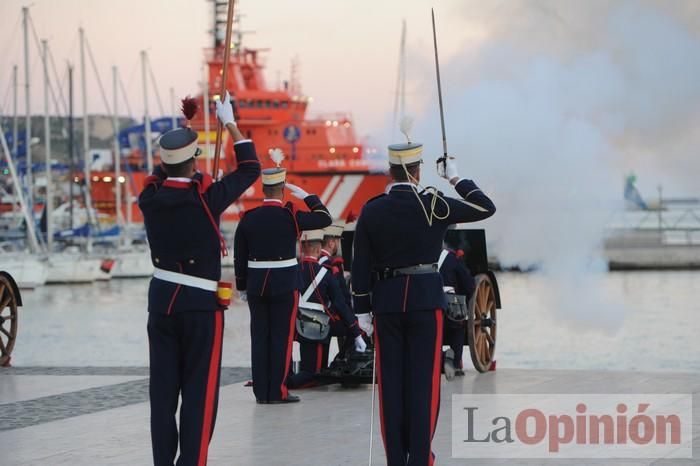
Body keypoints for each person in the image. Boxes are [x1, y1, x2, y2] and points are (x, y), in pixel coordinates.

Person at [351, 126, 496, 466]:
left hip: (386, 303)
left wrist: (362, 312)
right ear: (417, 171)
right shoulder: (434, 205)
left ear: (390, 171)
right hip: (424, 302)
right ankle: (420, 458)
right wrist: (456, 178)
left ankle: (396, 460)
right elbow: (484, 207)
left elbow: (360, 265)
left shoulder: (372, 210)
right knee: (424, 385)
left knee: (391, 386)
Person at [139, 92, 260, 466]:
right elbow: (251, 169)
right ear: (194, 160)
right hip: (200, 307)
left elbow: (165, 174)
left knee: (163, 394)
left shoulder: (150, 197)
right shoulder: (206, 197)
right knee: (199, 393)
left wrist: (183, 146)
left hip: (162, 300)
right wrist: (230, 123)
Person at [234, 155, 332, 404]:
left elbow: (239, 255)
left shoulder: (249, 217)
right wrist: (307, 196)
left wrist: (243, 285)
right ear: (282, 188)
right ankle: (277, 391)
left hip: (257, 285)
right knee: (281, 338)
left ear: (264, 188)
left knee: (260, 338)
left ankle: (261, 394)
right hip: (284, 284)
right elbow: (324, 218)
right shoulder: (291, 216)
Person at [287, 229, 365, 389]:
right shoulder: (326, 273)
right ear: (317, 249)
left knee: (311, 371)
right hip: (316, 327)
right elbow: (340, 304)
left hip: (294, 325)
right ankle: (284, 384)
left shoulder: (291, 270)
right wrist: (356, 332)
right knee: (314, 374)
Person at [437, 246, 476, 379]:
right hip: (450, 304)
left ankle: (438, 360)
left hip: (425, 303)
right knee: (457, 328)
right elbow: (468, 284)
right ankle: (455, 364)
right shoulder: (452, 258)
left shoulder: (421, 255)